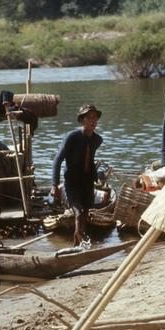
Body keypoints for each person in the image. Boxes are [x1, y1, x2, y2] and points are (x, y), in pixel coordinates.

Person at [51, 104, 103, 246]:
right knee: (78, 213)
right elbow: (58, 159)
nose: (93, 121)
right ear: (81, 120)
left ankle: (82, 243)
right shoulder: (72, 137)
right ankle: (76, 242)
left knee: (85, 214)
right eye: (89, 117)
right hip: (72, 182)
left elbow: (90, 159)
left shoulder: (97, 140)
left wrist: (97, 177)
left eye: (95, 117)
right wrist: (54, 184)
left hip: (87, 182)